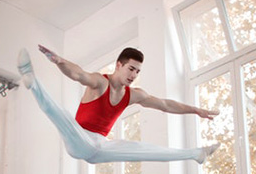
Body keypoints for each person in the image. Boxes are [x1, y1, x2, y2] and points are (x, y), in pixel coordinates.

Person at [17, 45, 220, 164]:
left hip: (102, 147)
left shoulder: (133, 95)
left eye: (138, 72)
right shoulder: (99, 82)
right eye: (131, 69)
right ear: (119, 65)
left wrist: (195, 110)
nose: (133, 75)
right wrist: (59, 61)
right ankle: (32, 81)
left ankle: (196, 154)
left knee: (146, 149)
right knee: (60, 115)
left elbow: (165, 105)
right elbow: (78, 74)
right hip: (79, 140)